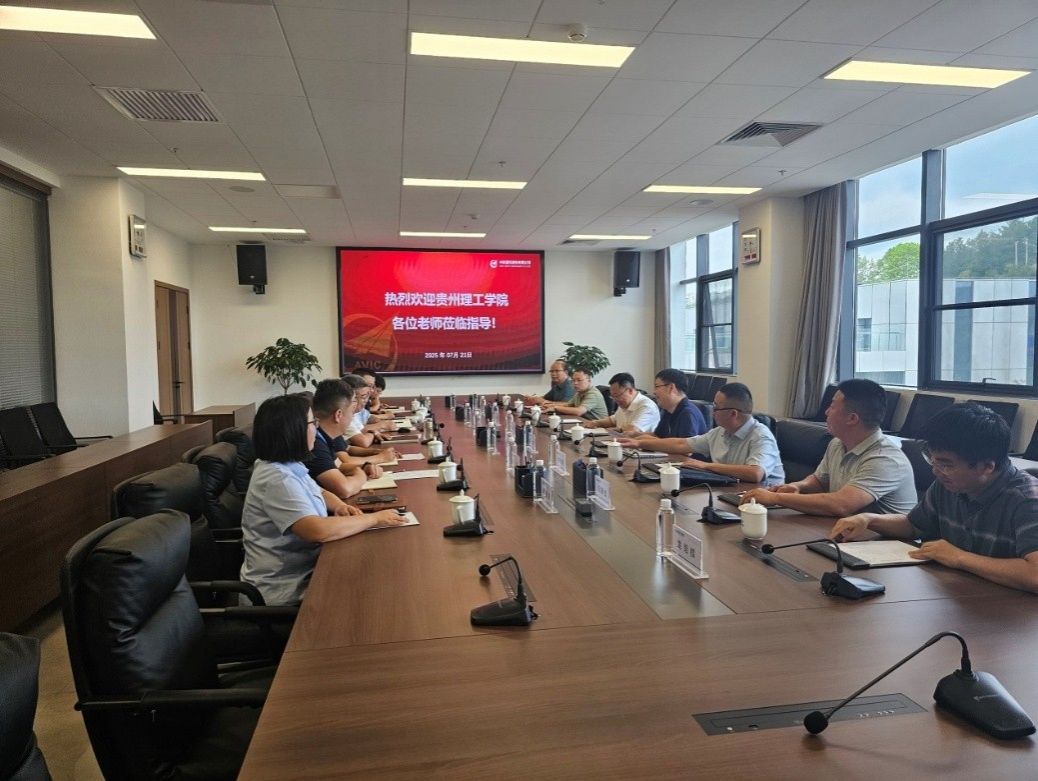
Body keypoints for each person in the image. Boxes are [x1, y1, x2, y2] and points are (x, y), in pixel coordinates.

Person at [829, 403, 1038, 593]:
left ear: (986, 466)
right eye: (933, 460)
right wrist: (868, 519)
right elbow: (913, 526)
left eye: (946, 464)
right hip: (960, 595)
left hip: (1009, 612)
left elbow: (1035, 575)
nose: (936, 471)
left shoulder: (1028, 500)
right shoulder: (949, 484)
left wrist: (959, 557)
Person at [240, 394, 406, 605]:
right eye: (313, 423)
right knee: (377, 592)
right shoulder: (277, 479)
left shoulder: (288, 464)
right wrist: (374, 519)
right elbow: (317, 530)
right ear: (294, 430)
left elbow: (318, 491)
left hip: (309, 569)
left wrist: (340, 506)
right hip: (286, 590)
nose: (316, 429)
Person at [742, 378, 916, 516]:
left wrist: (776, 498)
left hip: (886, 544)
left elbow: (842, 505)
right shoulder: (837, 443)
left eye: (832, 407)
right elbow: (820, 481)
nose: (826, 412)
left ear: (852, 419)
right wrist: (799, 486)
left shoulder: (885, 459)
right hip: (846, 533)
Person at [620, 382, 782, 484]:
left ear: (733, 413)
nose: (712, 412)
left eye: (716, 407)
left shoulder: (761, 436)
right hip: (730, 491)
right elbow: (682, 444)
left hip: (764, 506)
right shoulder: (719, 432)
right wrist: (639, 442)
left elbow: (755, 473)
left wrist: (705, 466)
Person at [308, 378, 386, 499]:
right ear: (338, 415)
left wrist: (365, 467)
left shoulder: (325, 435)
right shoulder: (314, 443)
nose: (352, 417)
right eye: (352, 412)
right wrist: (361, 473)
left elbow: (339, 466)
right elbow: (344, 490)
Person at [585, 372, 660, 434]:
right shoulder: (624, 403)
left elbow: (632, 430)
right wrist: (596, 423)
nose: (614, 400)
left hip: (640, 446)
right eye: (612, 396)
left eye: (617, 395)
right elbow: (613, 420)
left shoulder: (646, 406)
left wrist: (615, 430)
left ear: (630, 391)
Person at [645, 368, 707, 439]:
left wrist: (640, 442)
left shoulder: (687, 414)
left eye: (657, 387)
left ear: (671, 388)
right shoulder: (668, 410)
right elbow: (658, 436)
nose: (654, 392)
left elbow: (684, 445)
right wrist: (636, 436)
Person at [542, 367, 608, 421]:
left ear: (589, 381)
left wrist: (555, 408)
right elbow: (568, 404)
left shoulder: (593, 394)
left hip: (599, 428)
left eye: (579, 380)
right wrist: (550, 405)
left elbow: (579, 411)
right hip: (585, 422)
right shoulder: (579, 392)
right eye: (573, 380)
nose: (575, 383)